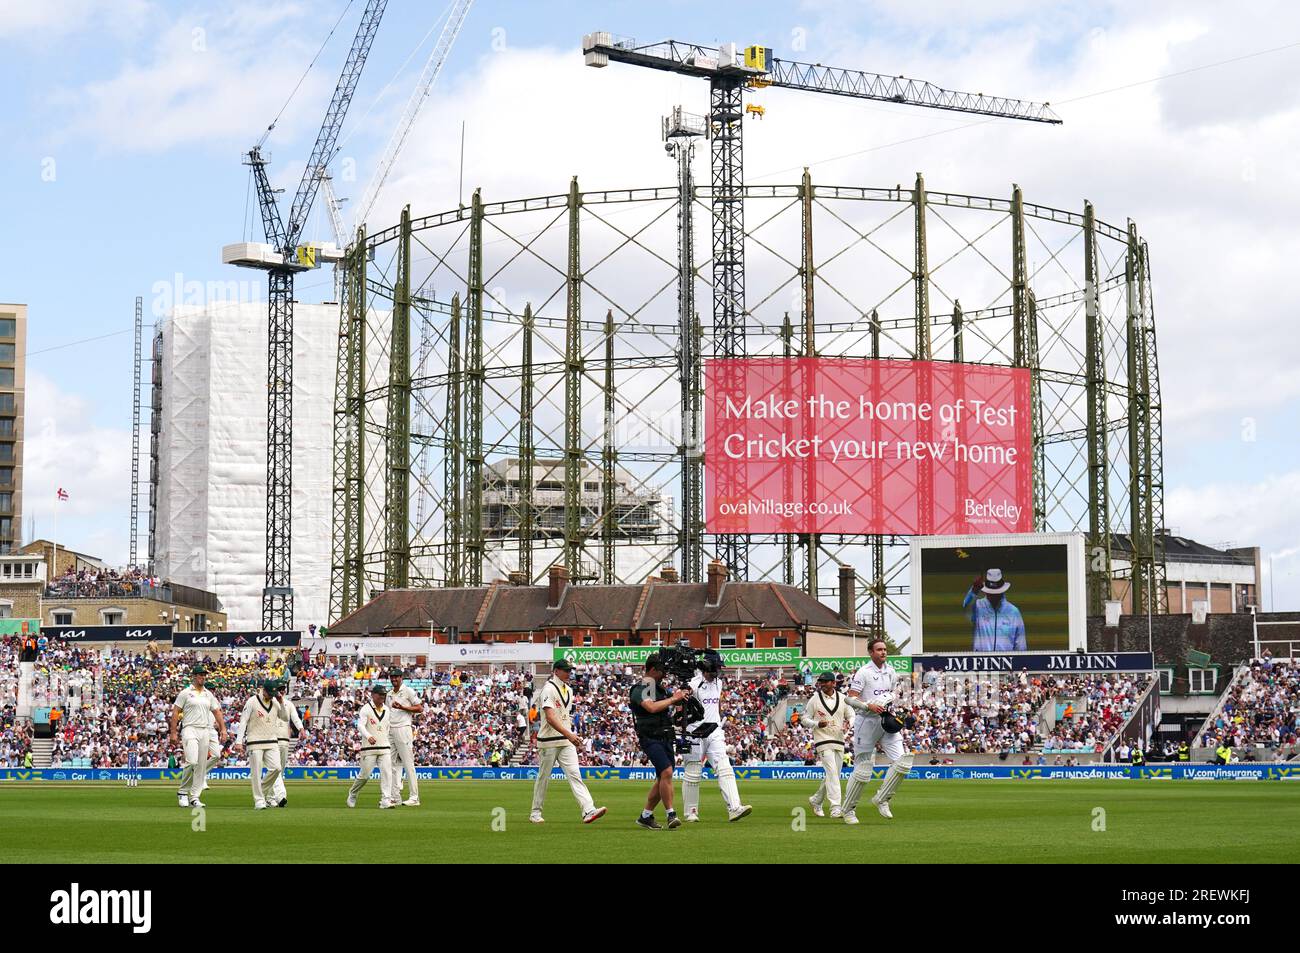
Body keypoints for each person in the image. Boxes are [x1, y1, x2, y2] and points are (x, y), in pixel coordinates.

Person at [841, 638, 913, 823]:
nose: (883, 652)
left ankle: (882, 798)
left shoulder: (891, 671)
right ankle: (848, 810)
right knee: (863, 769)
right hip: (866, 722)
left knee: (903, 763)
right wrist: (868, 706)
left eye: (885, 649)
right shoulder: (863, 672)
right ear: (871, 652)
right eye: (879, 649)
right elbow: (850, 699)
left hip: (886, 721)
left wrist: (891, 703)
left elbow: (892, 693)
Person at [529, 659, 607, 824]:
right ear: (556, 671)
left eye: (570, 670)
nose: (569, 673)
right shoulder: (548, 689)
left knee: (575, 775)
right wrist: (569, 734)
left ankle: (588, 810)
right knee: (543, 777)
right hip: (548, 741)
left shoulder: (569, 690)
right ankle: (535, 812)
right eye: (566, 670)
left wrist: (571, 735)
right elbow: (550, 717)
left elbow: (563, 716)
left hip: (565, 740)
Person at [683, 655, 752, 822]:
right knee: (693, 772)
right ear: (707, 667)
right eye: (716, 668)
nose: (719, 672)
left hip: (714, 731)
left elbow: (714, 706)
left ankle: (734, 808)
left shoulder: (719, 683)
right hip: (694, 731)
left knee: (724, 768)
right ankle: (691, 812)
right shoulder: (693, 684)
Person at [629, 653, 688, 830]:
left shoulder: (659, 689)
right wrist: (673, 699)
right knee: (667, 772)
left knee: (663, 777)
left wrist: (681, 702)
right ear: (653, 669)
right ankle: (671, 814)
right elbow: (651, 707)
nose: (665, 674)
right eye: (662, 671)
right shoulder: (642, 687)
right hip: (650, 737)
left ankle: (646, 816)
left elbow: (671, 707)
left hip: (666, 736)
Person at [169, 665, 226, 808]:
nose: (203, 677)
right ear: (194, 676)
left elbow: (217, 711)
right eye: (200, 675)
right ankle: (182, 792)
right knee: (192, 761)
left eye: (204, 675)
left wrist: (223, 729)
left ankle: (195, 796)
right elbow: (176, 712)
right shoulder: (185, 693)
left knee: (201, 765)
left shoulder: (208, 694)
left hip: (205, 730)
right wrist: (173, 732)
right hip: (189, 728)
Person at [234, 678, 288, 810]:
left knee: (276, 768)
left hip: (272, 741)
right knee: (256, 772)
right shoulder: (252, 701)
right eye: (269, 693)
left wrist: (281, 702)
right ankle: (259, 800)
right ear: (263, 690)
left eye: (273, 694)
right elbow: (243, 721)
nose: (271, 696)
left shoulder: (275, 702)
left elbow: (285, 718)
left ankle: (261, 791)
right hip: (254, 742)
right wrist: (238, 741)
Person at [805, 672, 853, 818]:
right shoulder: (814, 699)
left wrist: (849, 724)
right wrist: (817, 723)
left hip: (838, 739)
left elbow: (851, 714)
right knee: (832, 773)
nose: (822, 684)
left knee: (834, 775)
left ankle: (816, 800)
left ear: (833, 683)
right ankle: (835, 807)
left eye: (826, 682)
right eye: (821, 682)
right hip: (822, 740)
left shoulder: (843, 699)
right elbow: (804, 719)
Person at [347, 683, 396, 809]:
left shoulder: (387, 710)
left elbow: (387, 727)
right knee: (365, 775)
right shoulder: (366, 709)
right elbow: (360, 725)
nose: (382, 697)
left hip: (384, 747)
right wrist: (368, 736)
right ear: (373, 695)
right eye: (380, 694)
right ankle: (353, 793)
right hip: (369, 748)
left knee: (387, 773)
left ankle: (386, 800)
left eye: (384, 695)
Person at [962, 569, 1027, 651]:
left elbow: (1021, 644)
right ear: (986, 592)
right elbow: (965, 608)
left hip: (1007, 662)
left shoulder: (1013, 612)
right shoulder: (978, 607)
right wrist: (974, 590)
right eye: (991, 593)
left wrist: (1020, 662)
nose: (994, 596)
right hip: (982, 662)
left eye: (996, 593)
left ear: (1002, 591)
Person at [386, 667, 423, 807]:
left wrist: (403, 707)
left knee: (408, 764)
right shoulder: (389, 693)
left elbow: (419, 708)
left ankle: (414, 797)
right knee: (390, 765)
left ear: (401, 678)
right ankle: (395, 797)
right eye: (392, 677)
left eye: (396, 677)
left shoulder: (408, 691)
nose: (394, 679)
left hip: (403, 729)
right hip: (391, 730)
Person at [268, 681, 304, 808]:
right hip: (272, 739)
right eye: (279, 689)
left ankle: (270, 798)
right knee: (276, 768)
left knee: (279, 771)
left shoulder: (289, 704)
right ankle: (281, 796)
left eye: (283, 689)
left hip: (285, 740)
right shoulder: (270, 702)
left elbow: (295, 718)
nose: (282, 691)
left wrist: (301, 729)